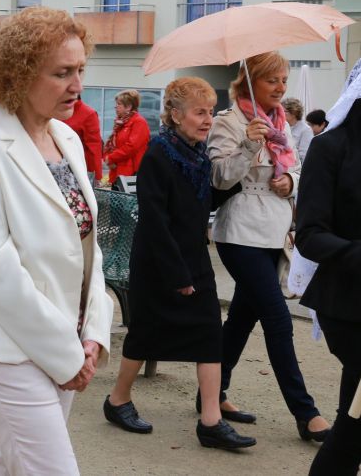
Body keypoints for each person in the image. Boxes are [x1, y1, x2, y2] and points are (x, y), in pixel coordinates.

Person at [0, 7, 113, 474]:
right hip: (5, 351)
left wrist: (93, 333)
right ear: (19, 74)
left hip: (63, 343)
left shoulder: (67, 138)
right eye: (62, 73)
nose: (77, 85)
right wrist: (67, 354)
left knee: (6, 465)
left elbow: (89, 246)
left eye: (80, 70)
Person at [103, 77, 255, 450]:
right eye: (199, 113)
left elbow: (203, 202)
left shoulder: (198, 153)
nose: (208, 120)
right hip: (160, 261)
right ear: (175, 115)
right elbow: (154, 219)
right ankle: (117, 400)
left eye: (210, 112)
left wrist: (246, 164)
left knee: (209, 336)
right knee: (144, 336)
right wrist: (176, 274)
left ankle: (210, 422)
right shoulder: (159, 153)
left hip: (193, 256)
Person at [207, 51, 330, 442]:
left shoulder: (281, 123)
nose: (280, 87)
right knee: (278, 318)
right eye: (271, 80)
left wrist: (289, 183)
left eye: (283, 79)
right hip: (239, 233)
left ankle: (211, 393)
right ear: (249, 81)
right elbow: (219, 179)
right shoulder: (229, 122)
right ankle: (305, 413)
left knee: (242, 319)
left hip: (274, 232)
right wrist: (246, 145)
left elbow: (294, 168)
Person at [297, 58, 361, 474]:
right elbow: (310, 234)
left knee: (354, 418)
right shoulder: (331, 147)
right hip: (350, 304)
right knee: (355, 424)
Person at [103, 89, 150, 186]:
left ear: (128, 107)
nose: (115, 107)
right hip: (118, 170)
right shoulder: (120, 123)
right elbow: (112, 144)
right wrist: (108, 158)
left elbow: (131, 146)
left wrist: (111, 158)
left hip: (131, 173)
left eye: (119, 104)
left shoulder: (139, 122)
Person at [64, 95, 103, 178]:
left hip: (79, 170)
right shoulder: (57, 110)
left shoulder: (88, 114)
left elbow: (94, 147)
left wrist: (96, 176)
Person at [283, 97, 313, 162]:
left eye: (284, 111)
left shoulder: (306, 130)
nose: (281, 113)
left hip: (295, 168)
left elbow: (304, 155)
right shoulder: (283, 127)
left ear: (294, 113)